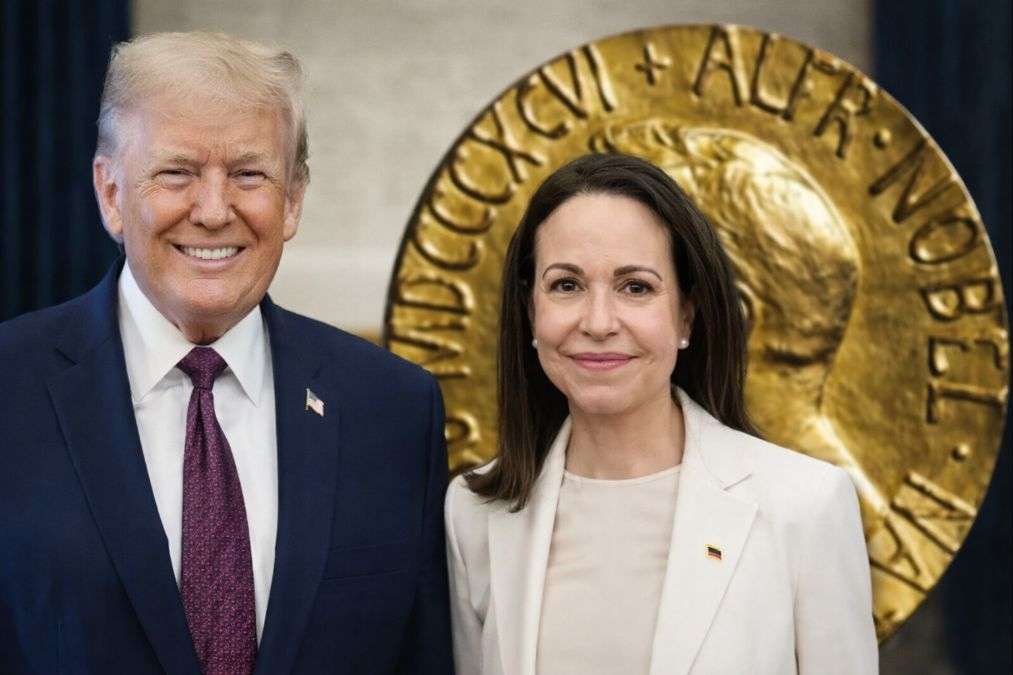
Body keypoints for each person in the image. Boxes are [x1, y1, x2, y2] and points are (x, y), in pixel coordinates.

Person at [0, 32, 452, 674]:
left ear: (292, 199)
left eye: (248, 174)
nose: (214, 211)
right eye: (177, 173)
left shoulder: (394, 410)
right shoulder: (9, 390)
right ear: (110, 194)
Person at [445, 153, 878, 674]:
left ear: (686, 315)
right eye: (566, 285)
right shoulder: (474, 513)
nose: (599, 321)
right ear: (530, 311)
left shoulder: (805, 506)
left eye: (636, 287)